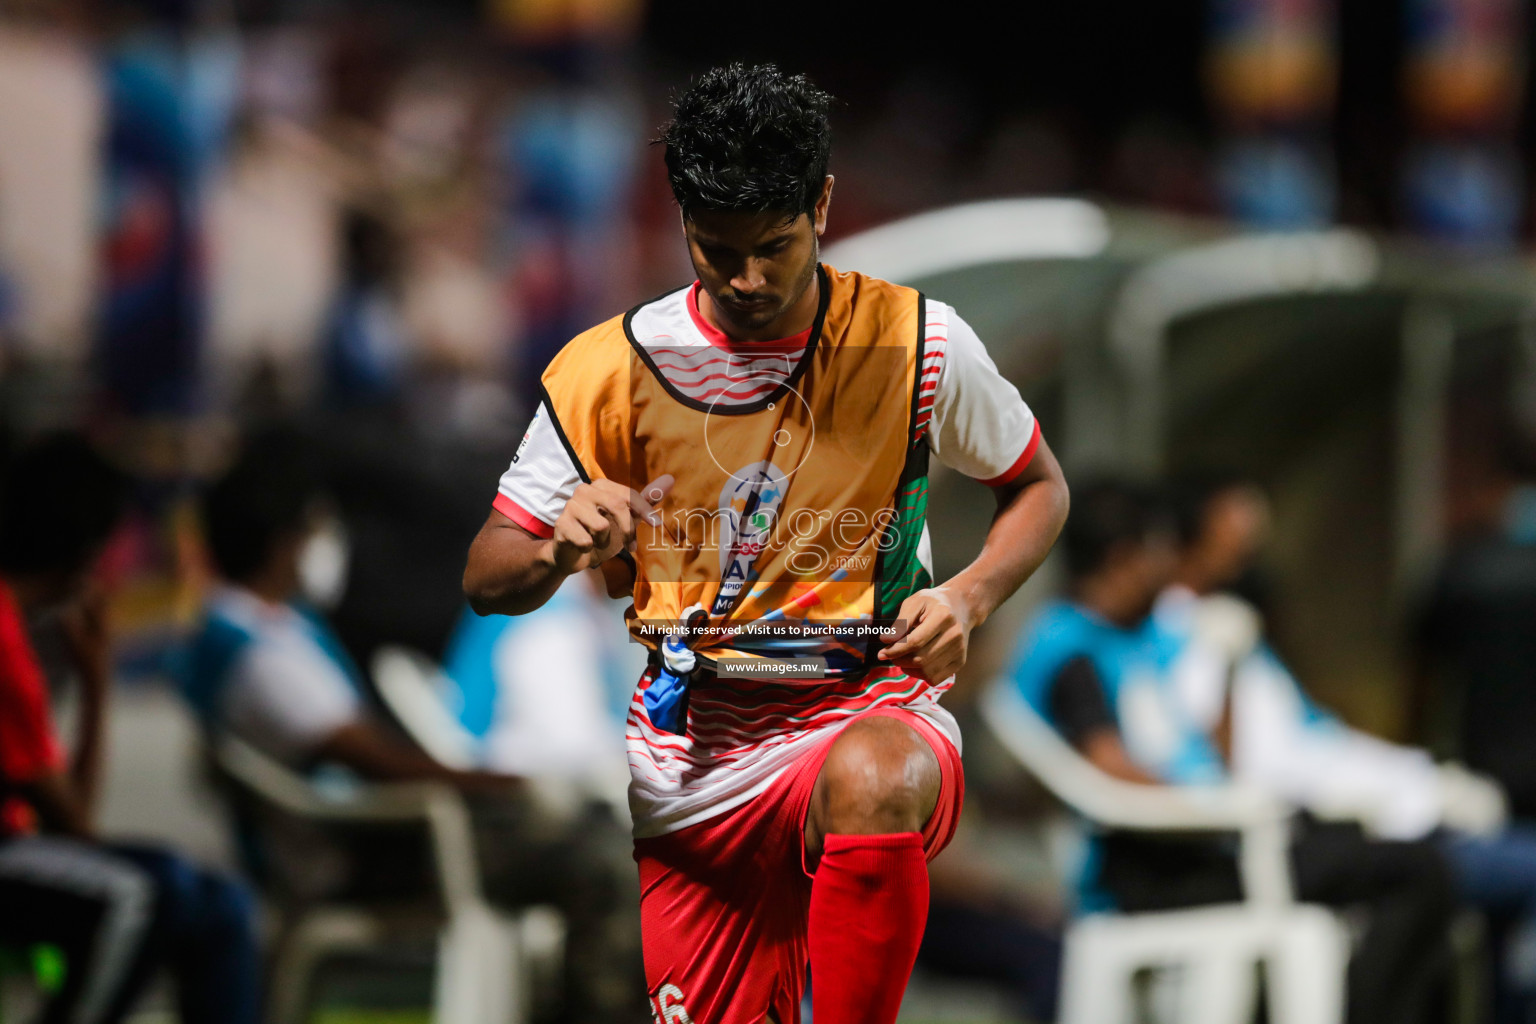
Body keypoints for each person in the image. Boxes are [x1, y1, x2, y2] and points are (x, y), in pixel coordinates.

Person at [462, 63, 1071, 1024]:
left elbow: (1036, 487)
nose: (747, 280)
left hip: (866, 704)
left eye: (775, 247)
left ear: (822, 204)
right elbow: (488, 573)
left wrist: (970, 595)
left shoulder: (916, 344)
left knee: (875, 778)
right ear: (680, 222)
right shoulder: (608, 369)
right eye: (717, 250)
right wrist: (557, 549)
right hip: (694, 761)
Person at [182, 429, 646, 1024]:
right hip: (369, 846)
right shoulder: (261, 653)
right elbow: (373, 762)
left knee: (597, 842)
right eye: (310, 532)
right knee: (606, 863)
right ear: (282, 543)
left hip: (369, 830)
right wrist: (490, 783)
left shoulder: (253, 628)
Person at [999, 480, 1455, 1024]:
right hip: (1157, 866)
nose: (1170, 567)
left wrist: (1231, 672)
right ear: (1124, 558)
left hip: (1211, 845)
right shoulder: (1071, 650)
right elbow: (1109, 770)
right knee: (1417, 872)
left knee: (1382, 848)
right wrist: (1215, 807)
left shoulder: (1136, 639)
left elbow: (1214, 758)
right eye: (1159, 550)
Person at [1168, 473, 1536, 1024]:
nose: (1250, 549)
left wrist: (1418, 777)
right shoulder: (1191, 637)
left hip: (1385, 812)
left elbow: (1316, 738)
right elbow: (1246, 765)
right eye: (1236, 531)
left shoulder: (1236, 627)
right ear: (1190, 536)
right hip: (1333, 833)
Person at [0, 432, 262, 1024]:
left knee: (218, 901)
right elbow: (74, 828)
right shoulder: (4, 641)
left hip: (23, 852)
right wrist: (95, 684)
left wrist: (93, 679)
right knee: (141, 892)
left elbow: (69, 827)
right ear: (86, 551)